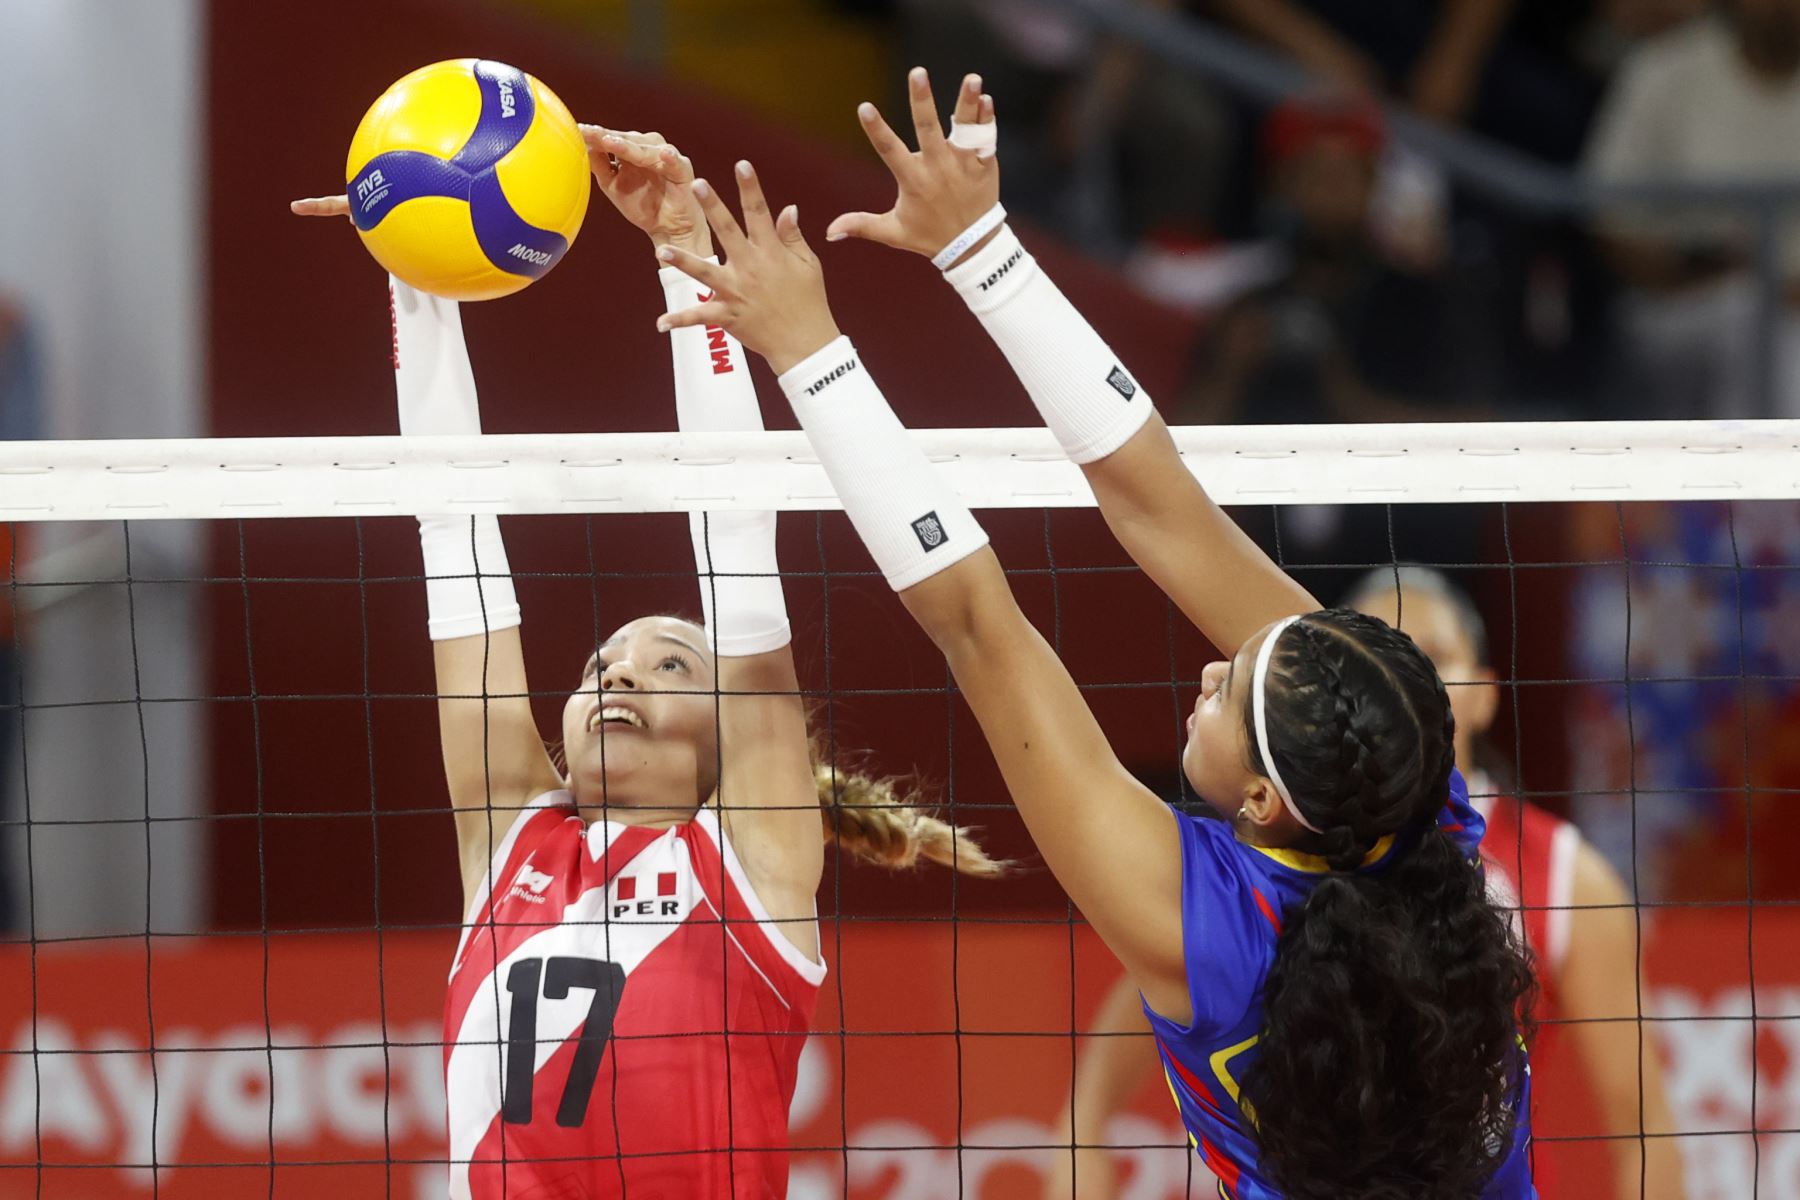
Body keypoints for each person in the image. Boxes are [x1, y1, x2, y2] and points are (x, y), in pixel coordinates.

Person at [658, 67, 1535, 1198]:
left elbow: (982, 626)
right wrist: (982, 247)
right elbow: (1154, 500)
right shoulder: (1411, 809)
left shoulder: (1212, 920)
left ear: (1264, 804)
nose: (1215, 661)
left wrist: (810, 346)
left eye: (1228, 695)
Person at [292, 124, 1002, 1199]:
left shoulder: (754, 866)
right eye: (599, 669)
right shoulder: (513, 840)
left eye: (671, 667)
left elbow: (734, 541)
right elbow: (453, 532)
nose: (615, 677)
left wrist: (680, 245)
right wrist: (418, 274)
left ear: (735, 741)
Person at [1050, 566, 1684, 1200]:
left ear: (1487, 695)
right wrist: (1084, 1117)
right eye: (1392, 643)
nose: (1413, 673)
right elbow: (1172, 970)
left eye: (1435, 654)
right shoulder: (1283, 850)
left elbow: (1645, 1132)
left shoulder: (1571, 877)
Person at [1584, 0, 1800, 418]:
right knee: (1746, 316)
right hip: (1680, 309)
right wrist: (1698, 272)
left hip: (1792, 312)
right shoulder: (1666, 69)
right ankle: (1755, 478)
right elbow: (1612, 226)